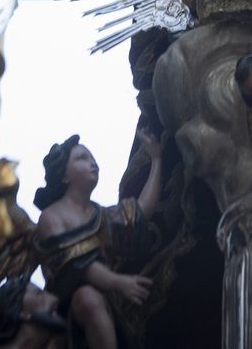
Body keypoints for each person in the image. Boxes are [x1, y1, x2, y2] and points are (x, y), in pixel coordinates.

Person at [33, 132, 163, 349]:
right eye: (82, 158)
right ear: (64, 176)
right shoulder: (52, 216)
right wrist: (120, 282)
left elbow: (141, 211)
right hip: (66, 313)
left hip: (107, 303)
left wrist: (156, 159)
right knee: (86, 296)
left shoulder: (102, 216)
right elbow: (77, 265)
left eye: (92, 157)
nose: (92, 162)